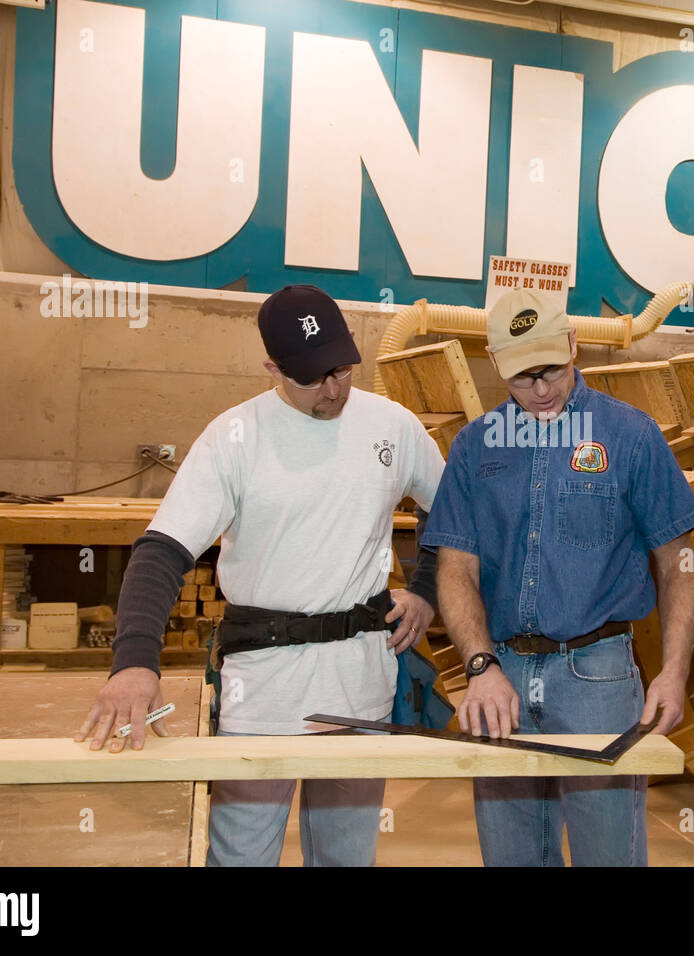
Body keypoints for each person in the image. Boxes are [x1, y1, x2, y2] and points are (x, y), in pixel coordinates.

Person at [74, 284, 444, 867]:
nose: (334, 389)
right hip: (261, 692)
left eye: (343, 370)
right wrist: (134, 663)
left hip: (360, 687)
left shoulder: (392, 427)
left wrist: (424, 592)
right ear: (272, 367)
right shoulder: (234, 437)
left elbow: (450, 515)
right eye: (312, 377)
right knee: (241, 857)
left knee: (347, 859)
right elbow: (160, 552)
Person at [422, 287, 694, 867]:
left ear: (575, 345)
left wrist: (675, 673)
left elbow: (680, 561)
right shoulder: (475, 448)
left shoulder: (631, 436)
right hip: (500, 677)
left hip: (597, 679)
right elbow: (454, 568)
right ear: (497, 366)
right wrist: (480, 666)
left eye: (552, 368)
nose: (542, 389)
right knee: (512, 854)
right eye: (524, 377)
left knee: (610, 854)